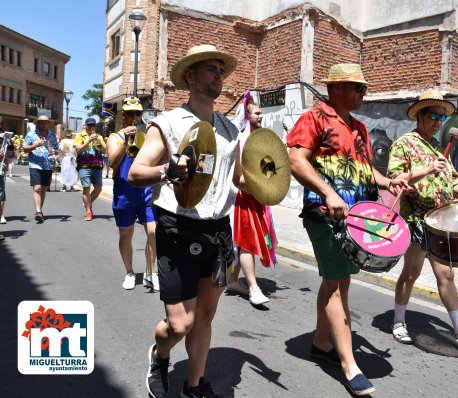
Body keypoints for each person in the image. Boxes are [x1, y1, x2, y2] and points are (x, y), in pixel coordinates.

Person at [287, 63, 410, 396]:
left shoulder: (358, 127)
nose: (363, 94)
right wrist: (328, 192)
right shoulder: (314, 119)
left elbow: (365, 170)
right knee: (339, 284)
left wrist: (389, 181)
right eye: (358, 88)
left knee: (336, 280)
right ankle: (348, 364)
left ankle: (319, 342)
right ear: (336, 89)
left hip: (356, 220)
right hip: (325, 215)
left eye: (364, 88)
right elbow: (296, 159)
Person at [128, 44, 244, 398]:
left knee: (205, 319)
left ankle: (194, 385)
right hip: (177, 227)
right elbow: (136, 172)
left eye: (221, 71)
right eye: (210, 69)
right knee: (181, 323)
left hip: (218, 230)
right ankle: (160, 355)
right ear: (190, 77)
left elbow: (238, 179)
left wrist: (267, 179)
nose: (218, 76)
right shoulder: (167, 123)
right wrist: (167, 170)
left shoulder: (230, 129)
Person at [386, 89, 458, 348]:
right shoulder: (404, 143)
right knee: (411, 273)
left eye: (441, 116)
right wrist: (426, 169)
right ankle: (399, 322)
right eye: (433, 115)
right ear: (420, 116)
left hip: (441, 221)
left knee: (446, 275)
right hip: (416, 220)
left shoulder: (438, 147)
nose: (438, 121)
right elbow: (396, 181)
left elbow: (453, 183)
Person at [226, 92, 277, 305]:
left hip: (256, 196)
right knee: (246, 242)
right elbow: (237, 173)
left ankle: (231, 280)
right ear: (247, 114)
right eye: (257, 112)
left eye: (262, 112)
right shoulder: (240, 138)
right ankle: (254, 288)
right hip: (242, 196)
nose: (261, 116)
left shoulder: (260, 136)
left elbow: (267, 167)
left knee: (244, 241)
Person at [106, 96, 158, 291]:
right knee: (126, 235)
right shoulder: (114, 137)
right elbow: (112, 163)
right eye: (130, 113)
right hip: (125, 193)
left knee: (154, 232)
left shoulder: (146, 137)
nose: (134, 117)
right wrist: (126, 141)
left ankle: (150, 272)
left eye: (137, 113)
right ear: (123, 115)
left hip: (145, 192)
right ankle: (129, 272)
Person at [22, 115, 60, 223]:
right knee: (37, 188)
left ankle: (40, 210)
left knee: (43, 189)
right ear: (38, 124)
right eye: (41, 122)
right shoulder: (31, 135)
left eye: (45, 122)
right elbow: (24, 149)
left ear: (48, 124)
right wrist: (35, 145)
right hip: (35, 165)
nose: (43, 124)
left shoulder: (53, 135)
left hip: (48, 165)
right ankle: (38, 211)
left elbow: (57, 149)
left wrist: (55, 151)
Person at [73, 118, 106, 221]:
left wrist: (98, 141)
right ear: (85, 125)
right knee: (86, 188)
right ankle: (88, 211)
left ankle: (88, 202)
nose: (91, 127)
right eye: (89, 125)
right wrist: (88, 141)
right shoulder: (79, 136)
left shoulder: (99, 136)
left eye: (93, 125)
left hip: (97, 165)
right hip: (84, 165)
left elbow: (104, 150)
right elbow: (78, 150)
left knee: (98, 188)